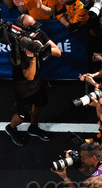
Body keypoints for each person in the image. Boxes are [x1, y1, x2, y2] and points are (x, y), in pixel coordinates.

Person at [4, 14, 63, 146]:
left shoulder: (38, 34)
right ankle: (11, 127)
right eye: (32, 27)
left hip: (38, 80)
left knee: (40, 103)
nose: (36, 29)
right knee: (22, 115)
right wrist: (33, 56)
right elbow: (28, 76)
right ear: (23, 29)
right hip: (23, 85)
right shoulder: (18, 49)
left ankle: (34, 127)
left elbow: (58, 52)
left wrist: (41, 47)